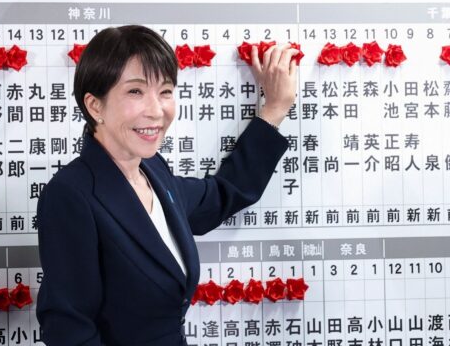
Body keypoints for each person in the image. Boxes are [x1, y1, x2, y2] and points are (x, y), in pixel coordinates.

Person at [36, 25, 297, 345]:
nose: (157, 110)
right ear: (95, 106)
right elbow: (69, 332)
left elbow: (220, 195)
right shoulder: (71, 194)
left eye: (165, 91)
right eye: (135, 91)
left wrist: (274, 110)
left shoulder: (152, 170)